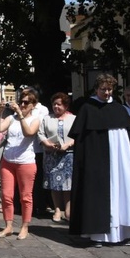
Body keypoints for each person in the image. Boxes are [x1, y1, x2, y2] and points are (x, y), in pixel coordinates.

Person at [69, 74, 130, 246]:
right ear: (96, 89)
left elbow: (127, 134)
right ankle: (97, 234)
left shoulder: (119, 109)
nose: (106, 93)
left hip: (119, 160)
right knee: (97, 193)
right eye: (103, 89)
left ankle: (122, 232)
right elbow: (82, 140)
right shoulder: (87, 108)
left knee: (121, 190)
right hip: (96, 161)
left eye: (109, 89)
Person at [0, 89, 41, 239]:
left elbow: (29, 133)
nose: (22, 104)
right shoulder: (12, 118)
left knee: (25, 197)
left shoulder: (35, 119)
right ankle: (8, 226)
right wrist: (0, 113)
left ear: (33, 105)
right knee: (7, 195)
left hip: (25, 162)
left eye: (26, 103)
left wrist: (21, 116)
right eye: (21, 102)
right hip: (8, 161)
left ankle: (24, 227)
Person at [38, 93, 76, 223]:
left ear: (65, 105)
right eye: (54, 104)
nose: (56, 107)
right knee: (54, 184)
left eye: (59, 104)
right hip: (51, 155)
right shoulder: (47, 118)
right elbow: (41, 134)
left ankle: (68, 210)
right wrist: (47, 144)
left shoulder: (73, 119)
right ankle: (57, 210)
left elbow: (79, 135)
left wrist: (68, 144)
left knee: (68, 185)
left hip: (68, 155)